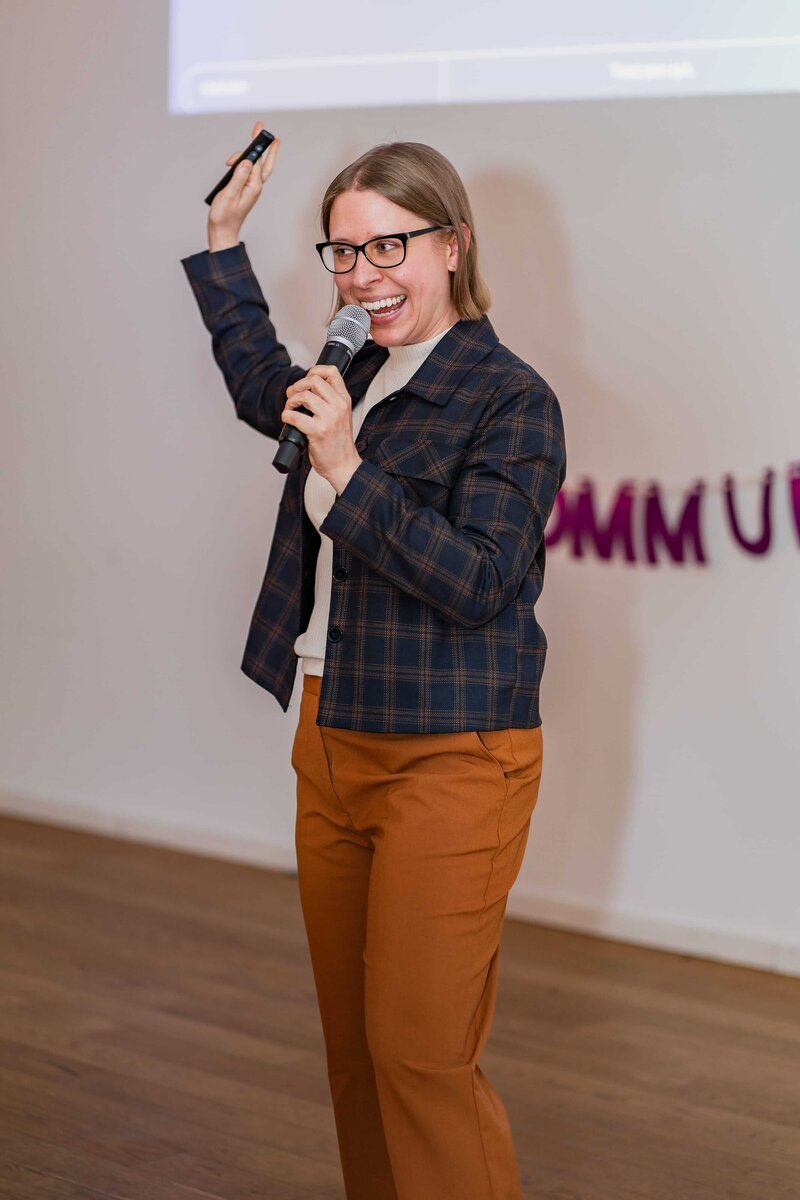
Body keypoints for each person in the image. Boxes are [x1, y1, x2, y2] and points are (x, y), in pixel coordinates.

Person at [181, 121, 567, 1200]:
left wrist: (347, 467)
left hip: (453, 758)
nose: (364, 275)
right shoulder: (355, 365)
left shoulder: (509, 399)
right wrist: (223, 243)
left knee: (419, 1060)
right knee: (355, 1058)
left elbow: (479, 579)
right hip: (331, 738)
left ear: (454, 245)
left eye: (389, 246)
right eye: (343, 252)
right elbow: (264, 380)